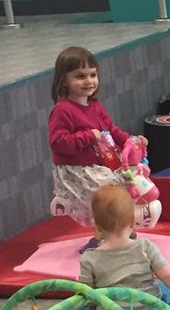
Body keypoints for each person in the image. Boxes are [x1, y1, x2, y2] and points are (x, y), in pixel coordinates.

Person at [48, 45, 147, 244]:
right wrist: (88, 136)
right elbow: (58, 142)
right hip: (77, 170)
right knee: (108, 193)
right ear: (64, 81)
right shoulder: (63, 110)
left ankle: (117, 229)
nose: (88, 81)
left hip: (100, 164)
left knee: (128, 181)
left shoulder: (94, 106)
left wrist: (130, 139)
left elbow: (111, 129)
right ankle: (104, 234)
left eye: (93, 74)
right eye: (80, 76)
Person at [74, 185, 170, 310]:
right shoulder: (145, 247)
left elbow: (88, 295)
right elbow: (169, 275)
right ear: (132, 221)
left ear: (96, 226)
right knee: (163, 285)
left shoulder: (89, 258)